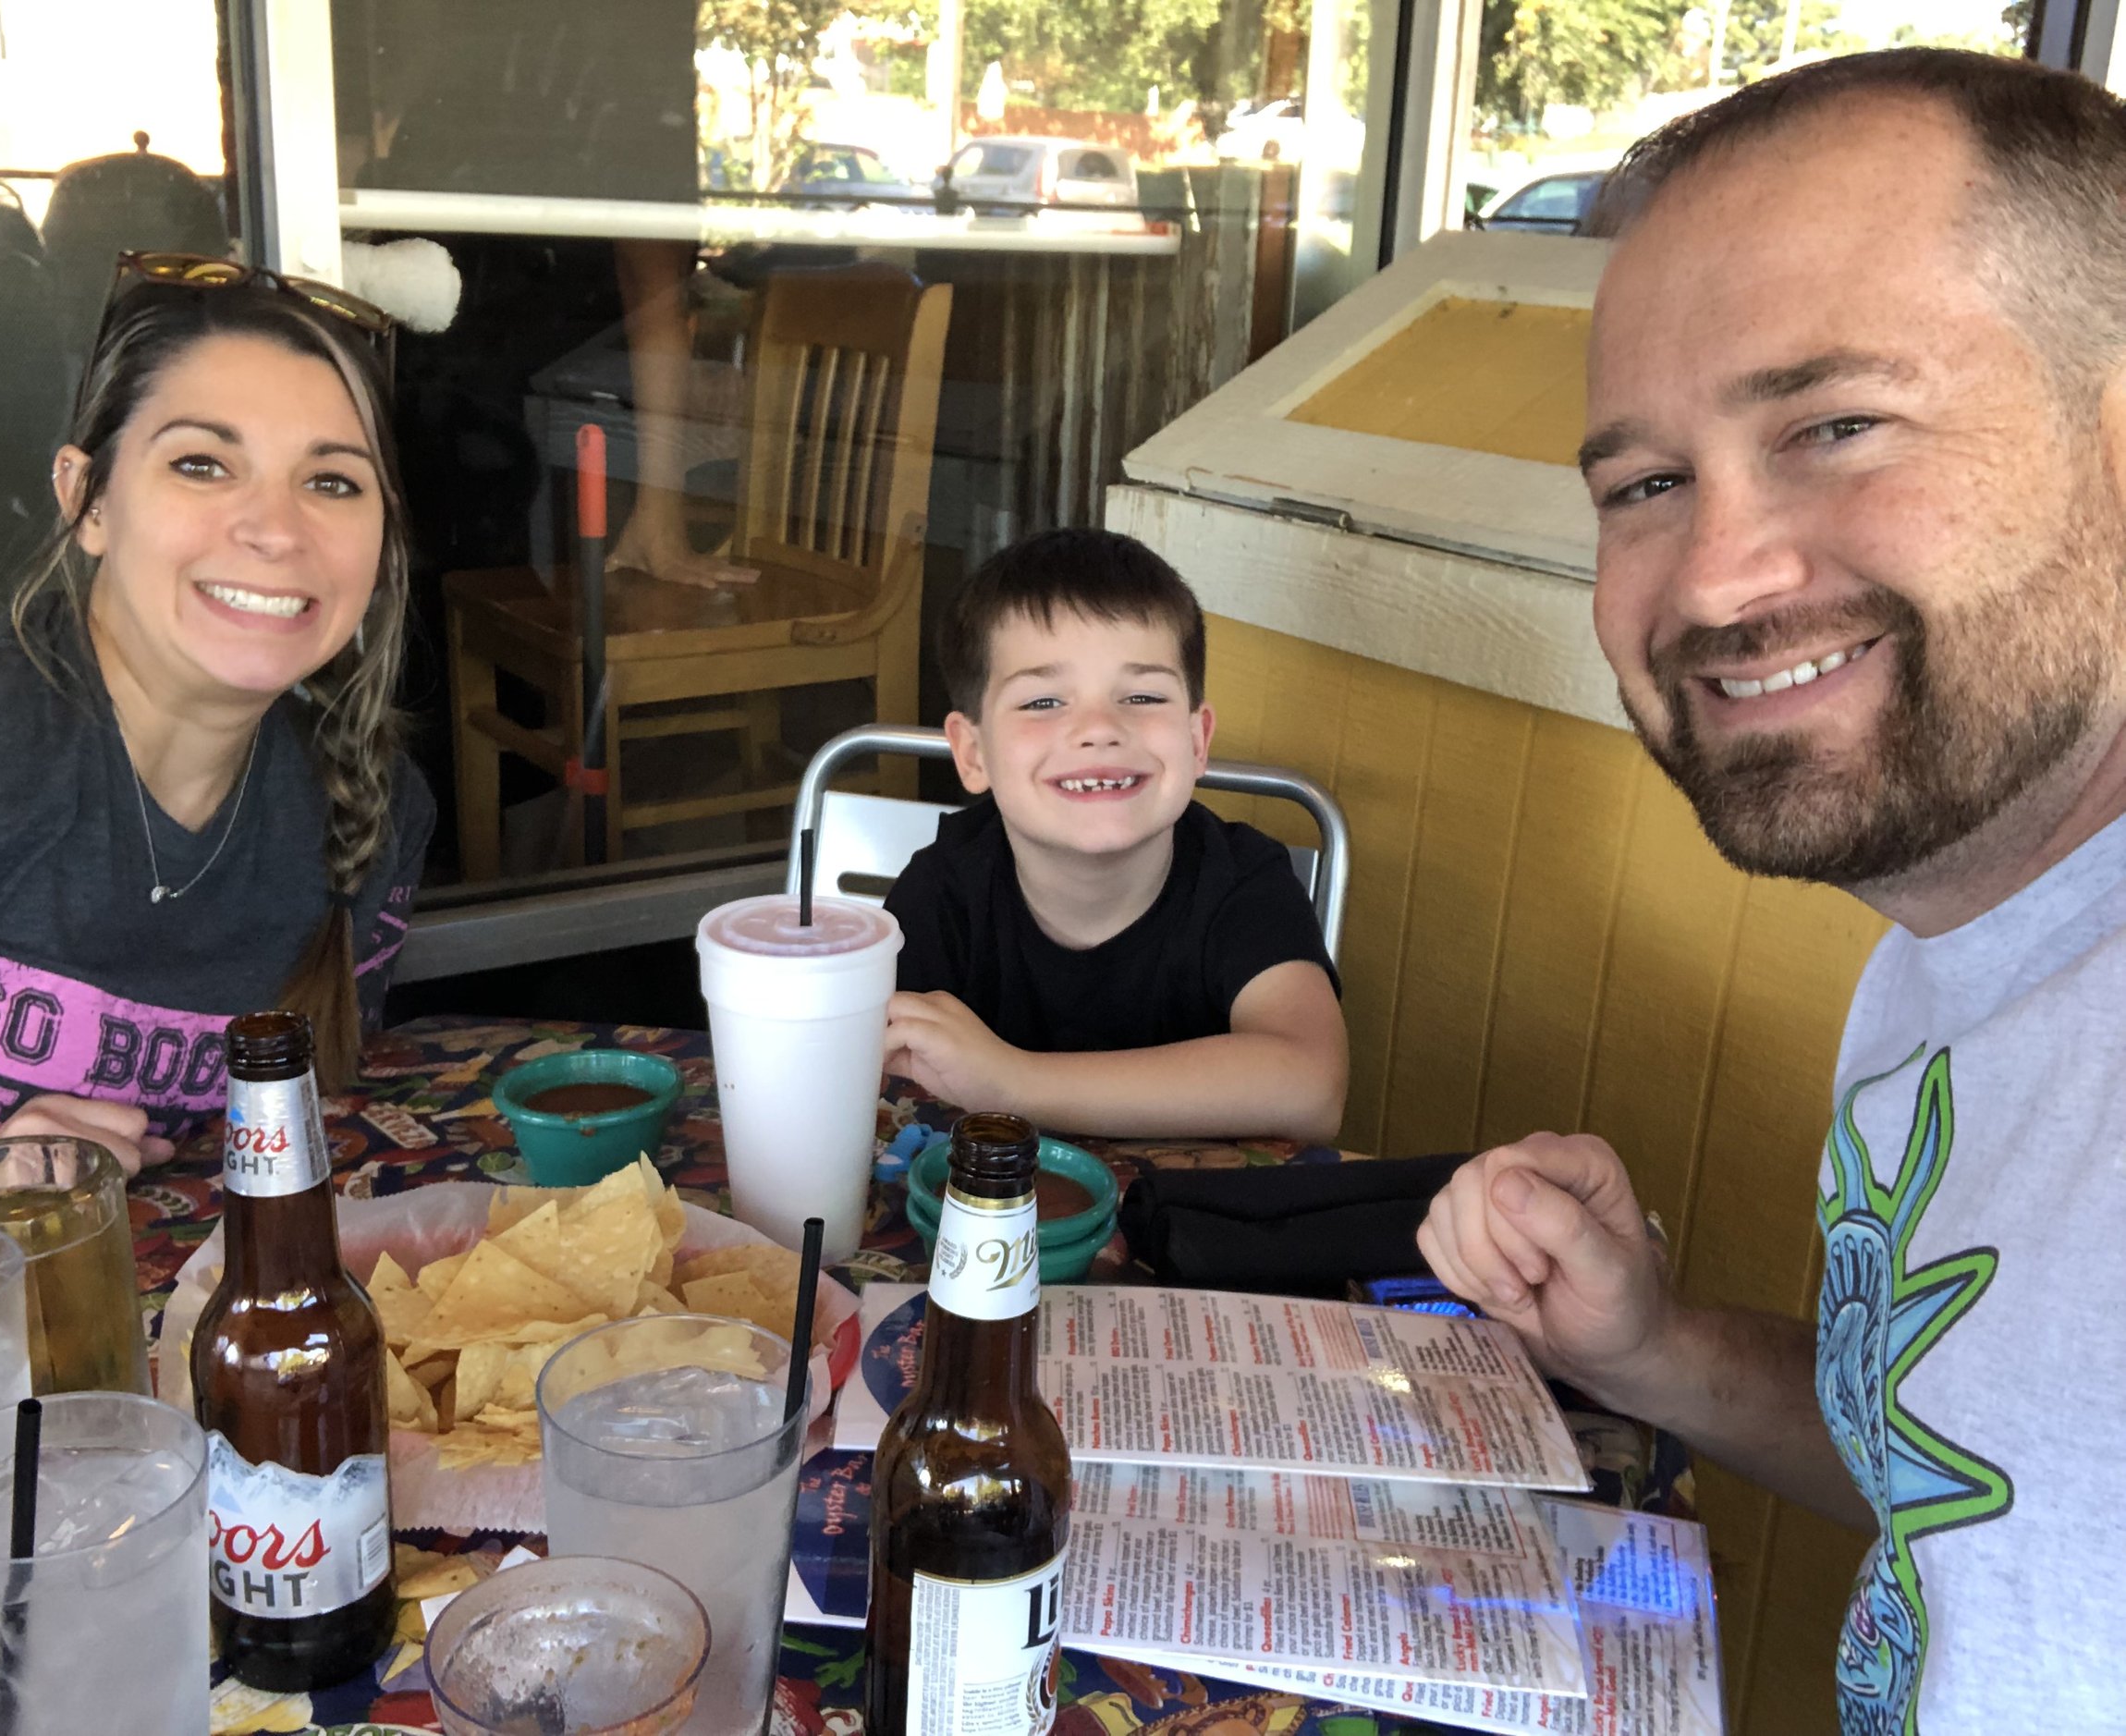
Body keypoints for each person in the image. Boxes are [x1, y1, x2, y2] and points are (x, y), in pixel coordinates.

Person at [1414, 49, 2126, 1730]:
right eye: (1646, 484)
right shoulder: (1961, 936)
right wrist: (1647, 1347)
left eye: (1838, 424)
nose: (1718, 575)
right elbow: (1981, 1459)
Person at [0, 255, 434, 1236]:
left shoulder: (371, 806)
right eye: (201, 464)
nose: (275, 529)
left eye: (331, 481)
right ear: (87, 499)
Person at [882, 529, 1347, 1142]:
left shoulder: (1243, 883)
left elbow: (1311, 1088)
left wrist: (1011, 1081)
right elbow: (875, 1073)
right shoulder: (942, 889)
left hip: (1191, 1224)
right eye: (1044, 701)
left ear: (1197, 740)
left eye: (1142, 695)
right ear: (972, 753)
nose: (1100, 728)